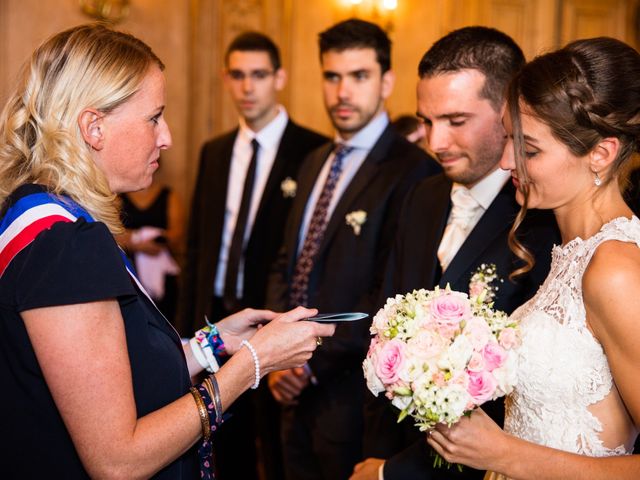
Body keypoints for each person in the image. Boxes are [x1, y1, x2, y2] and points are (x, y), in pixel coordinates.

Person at [0, 23, 335, 479]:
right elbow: (119, 460)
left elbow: (111, 375)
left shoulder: (46, 214)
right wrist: (251, 365)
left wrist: (214, 343)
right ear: (93, 127)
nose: (167, 137)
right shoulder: (66, 246)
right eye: (154, 117)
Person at [423, 35, 640, 480]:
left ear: (600, 154)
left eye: (530, 149)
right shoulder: (569, 251)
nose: (506, 162)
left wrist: (503, 454)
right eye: (508, 139)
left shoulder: (615, 269)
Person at [352, 26, 559, 480]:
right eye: (426, 121)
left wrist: (395, 472)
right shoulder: (421, 197)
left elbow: (534, 396)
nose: (435, 142)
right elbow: (383, 331)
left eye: (455, 121)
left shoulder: (545, 218)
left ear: (509, 112)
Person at [266, 18, 441, 480]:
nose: (343, 91)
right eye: (332, 76)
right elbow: (288, 263)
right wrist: (275, 352)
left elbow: (392, 292)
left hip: (354, 399)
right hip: (287, 388)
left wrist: (307, 359)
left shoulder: (414, 172)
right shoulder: (313, 162)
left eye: (359, 76)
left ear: (386, 81)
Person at [178, 31, 327, 480]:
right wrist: (185, 329)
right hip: (215, 318)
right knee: (221, 444)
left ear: (278, 77)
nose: (247, 87)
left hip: (271, 318)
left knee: (279, 449)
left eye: (258, 75)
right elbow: (197, 246)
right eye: (238, 76)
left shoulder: (312, 150)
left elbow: (307, 250)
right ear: (226, 79)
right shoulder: (215, 150)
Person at [118, 174, 184, 324]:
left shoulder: (168, 195)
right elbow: (112, 231)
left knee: (165, 319)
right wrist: (137, 243)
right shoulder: (118, 197)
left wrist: (157, 238)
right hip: (130, 269)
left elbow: (178, 234)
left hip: (162, 268)